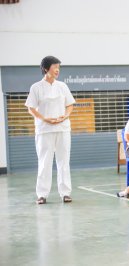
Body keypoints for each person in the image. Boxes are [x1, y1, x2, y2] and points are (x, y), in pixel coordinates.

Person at [25, 56, 75, 204]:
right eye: (55, 67)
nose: (57, 70)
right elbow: (31, 108)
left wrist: (65, 117)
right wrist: (45, 119)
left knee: (63, 161)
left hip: (63, 128)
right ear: (46, 69)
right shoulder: (36, 87)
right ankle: (42, 194)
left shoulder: (62, 86)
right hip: (44, 130)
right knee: (44, 162)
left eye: (59, 67)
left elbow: (70, 105)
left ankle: (65, 193)